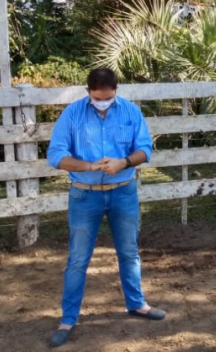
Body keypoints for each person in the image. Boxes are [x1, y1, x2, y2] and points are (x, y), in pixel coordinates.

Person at [46, 68, 165, 348]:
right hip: (84, 194)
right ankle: (68, 318)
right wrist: (87, 165)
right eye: (99, 98)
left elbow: (145, 149)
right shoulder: (72, 114)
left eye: (109, 98)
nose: (104, 102)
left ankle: (137, 304)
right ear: (88, 91)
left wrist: (123, 162)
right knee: (78, 259)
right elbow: (55, 155)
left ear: (116, 91)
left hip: (123, 192)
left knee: (129, 251)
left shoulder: (131, 112)